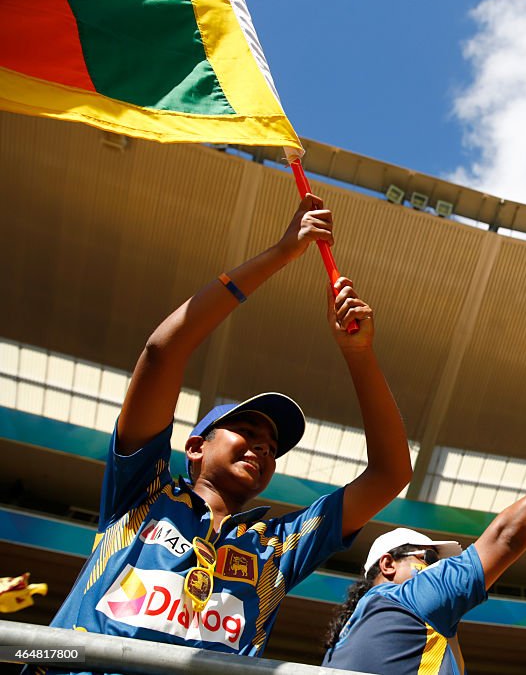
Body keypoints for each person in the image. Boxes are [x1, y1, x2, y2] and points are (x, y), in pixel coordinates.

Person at [43, 195, 412, 668]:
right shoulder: (144, 495)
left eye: (272, 445)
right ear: (195, 447)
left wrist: (359, 355)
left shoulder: (279, 546)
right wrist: (282, 253)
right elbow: (161, 352)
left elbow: (390, 474)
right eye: (245, 430)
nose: (262, 445)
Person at [321, 413, 526, 674]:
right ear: (388, 564)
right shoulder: (411, 597)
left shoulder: (338, 647)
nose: (438, 569)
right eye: (430, 560)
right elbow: (507, 537)